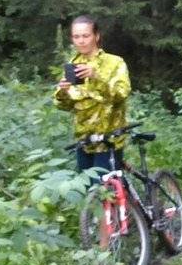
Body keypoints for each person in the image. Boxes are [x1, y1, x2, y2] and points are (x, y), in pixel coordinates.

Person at [53, 15, 131, 178]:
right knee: (89, 193)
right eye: (76, 37)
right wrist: (62, 91)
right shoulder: (72, 66)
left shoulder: (114, 63)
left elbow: (121, 94)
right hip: (84, 141)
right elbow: (63, 106)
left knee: (105, 193)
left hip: (109, 141)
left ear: (96, 36)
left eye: (85, 36)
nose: (81, 41)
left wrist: (96, 77)